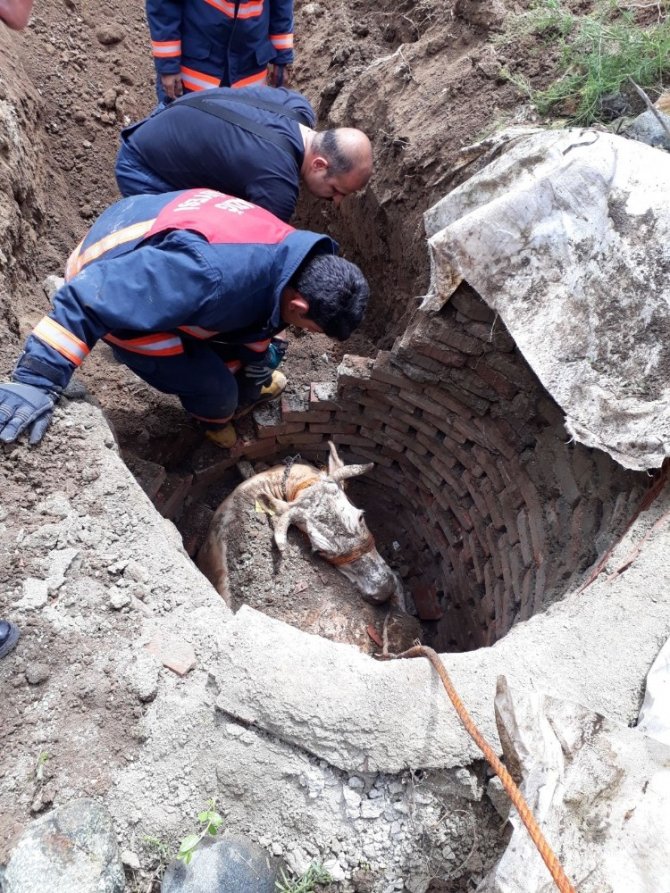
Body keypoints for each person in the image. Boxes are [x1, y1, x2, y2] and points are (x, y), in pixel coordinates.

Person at [0, 188, 370, 449]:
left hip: (150, 229)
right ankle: (210, 420)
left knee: (249, 361)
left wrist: (253, 370)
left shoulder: (296, 258)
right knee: (218, 391)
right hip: (106, 266)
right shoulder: (211, 275)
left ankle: (233, 379)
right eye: (312, 327)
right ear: (301, 307)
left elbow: (261, 319)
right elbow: (87, 299)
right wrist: (37, 381)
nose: (306, 331)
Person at [115, 86, 374, 223]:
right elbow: (254, 250)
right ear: (319, 164)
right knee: (194, 239)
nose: (337, 201)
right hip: (141, 168)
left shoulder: (297, 106)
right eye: (337, 190)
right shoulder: (277, 185)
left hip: (161, 122)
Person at [146, 0, 293, 102]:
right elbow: (163, 6)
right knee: (183, 138)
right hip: (196, 66)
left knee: (241, 138)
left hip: (249, 67)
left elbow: (282, 5)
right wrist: (168, 65)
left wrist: (281, 57)